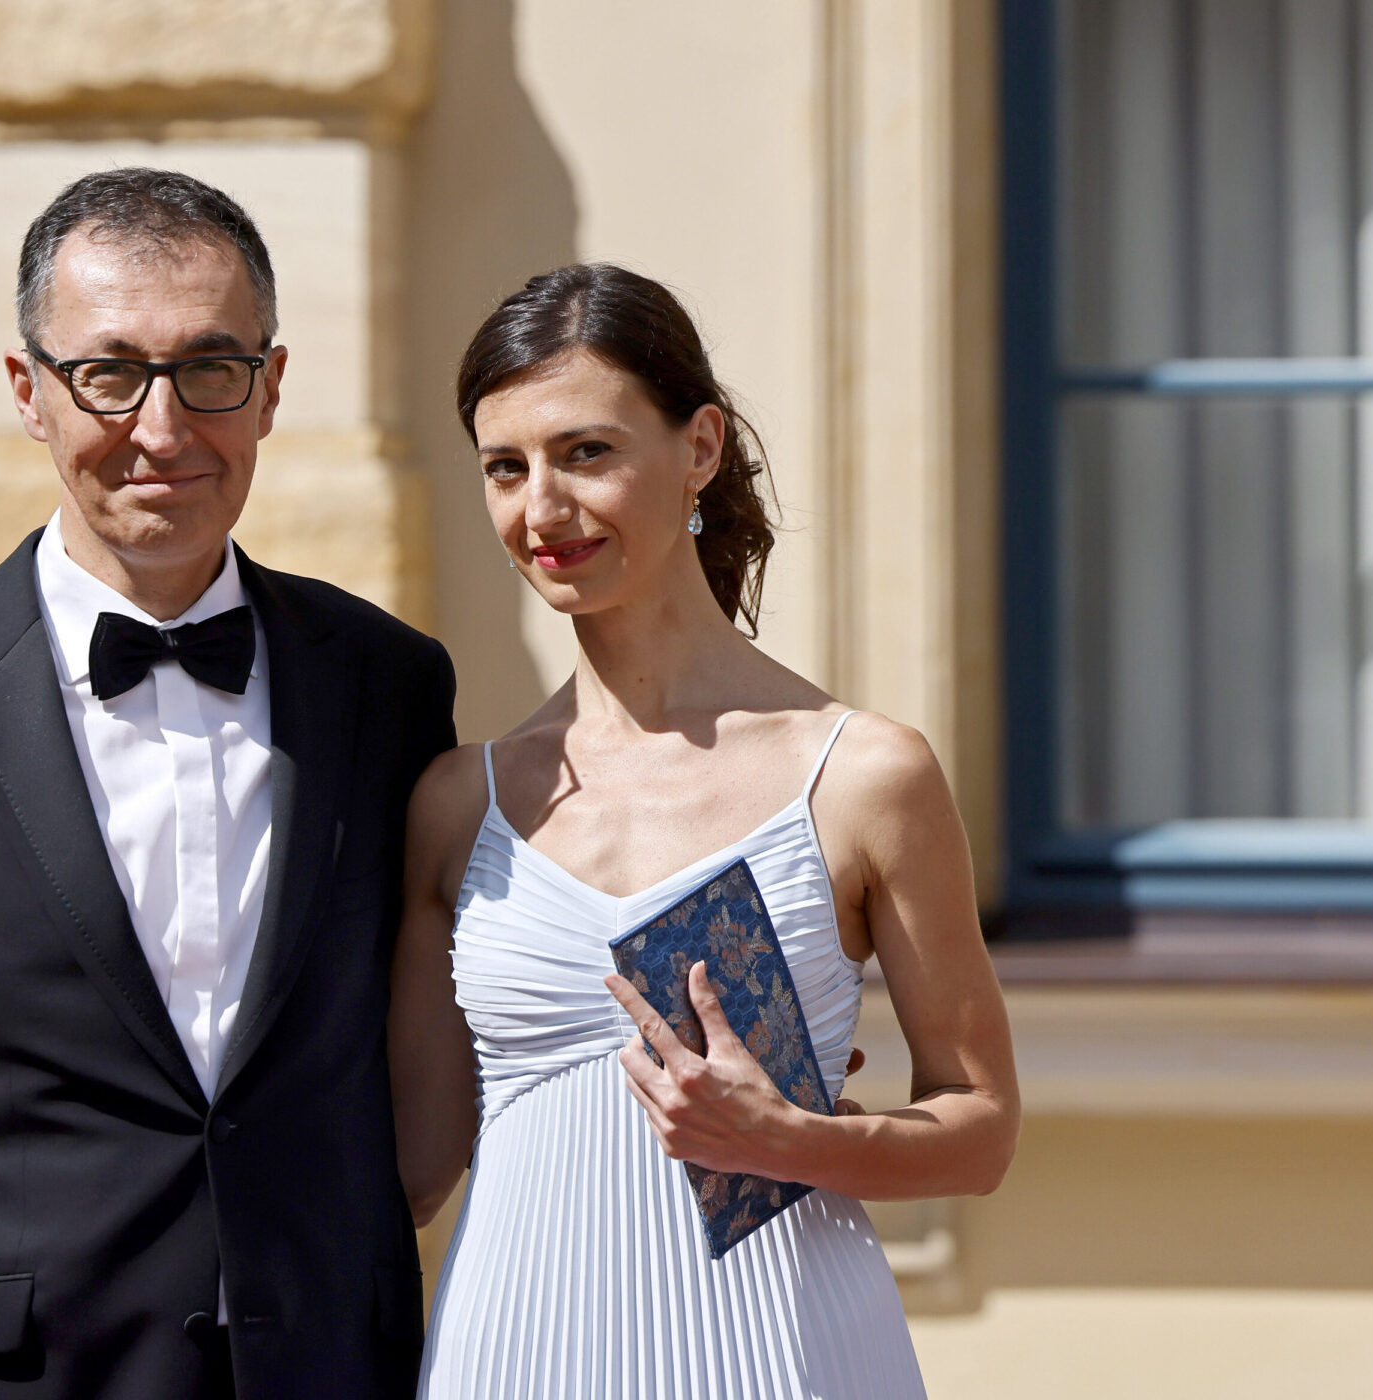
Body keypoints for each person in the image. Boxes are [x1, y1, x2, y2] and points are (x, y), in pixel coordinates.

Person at [0, 168, 456, 1400]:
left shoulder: (387, 682)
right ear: (30, 392)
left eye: (211, 368)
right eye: (109, 373)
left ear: (271, 388)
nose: (161, 428)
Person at [390, 263, 1020, 1398]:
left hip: (785, 1349)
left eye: (586, 451)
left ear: (701, 447)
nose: (541, 509)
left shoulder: (865, 775)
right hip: (515, 1345)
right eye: (505, 466)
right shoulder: (459, 802)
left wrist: (791, 1139)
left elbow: (978, 1130)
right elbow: (410, 1166)